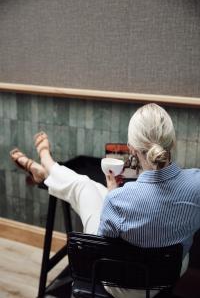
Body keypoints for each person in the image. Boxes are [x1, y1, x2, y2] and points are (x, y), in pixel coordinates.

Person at [10, 103, 200, 298]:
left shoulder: (120, 199)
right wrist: (112, 196)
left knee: (83, 186)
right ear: (172, 142)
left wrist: (112, 195)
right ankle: (48, 173)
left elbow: (101, 247)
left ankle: (47, 164)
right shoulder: (197, 184)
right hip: (167, 277)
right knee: (96, 190)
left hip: (120, 285)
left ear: (132, 149)